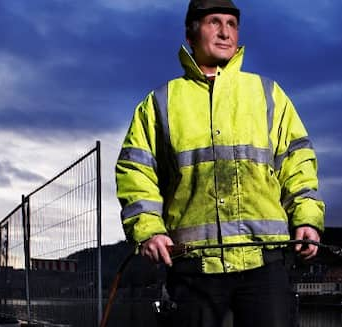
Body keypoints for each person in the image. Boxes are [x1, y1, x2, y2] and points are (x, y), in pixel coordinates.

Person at [116, 0, 324, 326]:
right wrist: (149, 231)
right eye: (214, 22)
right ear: (191, 32)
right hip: (193, 270)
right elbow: (136, 171)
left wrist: (307, 219)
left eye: (232, 23)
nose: (225, 32)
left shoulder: (268, 94)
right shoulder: (159, 102)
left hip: (264, 266)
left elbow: (298, 161)